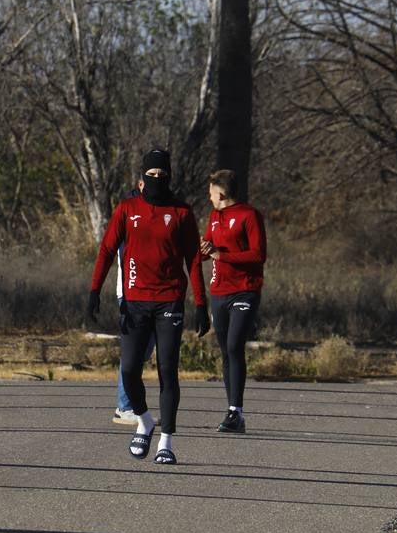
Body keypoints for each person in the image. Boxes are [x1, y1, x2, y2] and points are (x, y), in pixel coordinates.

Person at [87, 148, 207, 465]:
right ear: (141, 180)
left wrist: (202, 303)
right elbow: (107, 249)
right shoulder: (127, 209)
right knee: (129, 370)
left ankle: (166, 440)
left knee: (167, 369)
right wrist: (94, 290)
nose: (156, 181)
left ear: (168, 178)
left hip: (169, 299)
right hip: (135, 300)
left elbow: (193, 259)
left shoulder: (181, 212)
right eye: (151, 176)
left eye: (162, 176)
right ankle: (144, 420)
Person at [200, 169, 266, 434]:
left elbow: (258, 254)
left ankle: (235, 411)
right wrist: (204, 250)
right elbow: (209, 248)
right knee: (226, 351)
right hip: (219, 291)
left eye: (211, 192)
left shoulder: (249, 216)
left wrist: (221, 255)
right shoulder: (214, 217)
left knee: (234, 345)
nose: (209, 197)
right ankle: (232, 412)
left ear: (222, 192)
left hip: (245, 291)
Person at [111, 181, 156, 426]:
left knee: (141, 352)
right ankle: (125, 405)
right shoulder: (129, 218)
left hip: (151, 295)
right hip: (131, 294)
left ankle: (128, 404)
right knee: (134, 353)